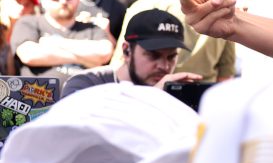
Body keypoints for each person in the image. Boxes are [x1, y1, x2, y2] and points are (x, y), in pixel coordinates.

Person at [62, 9, 201, 97]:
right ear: (126, 51)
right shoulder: (86, 84)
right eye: (154, 55)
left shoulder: (174, 93)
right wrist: (153, 98)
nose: (164, 66)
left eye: (171, 57)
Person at [10, 0, 114, 81]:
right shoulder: (28, 23)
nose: (63, 1)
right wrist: (87, 60)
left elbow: (104, 53)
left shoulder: (92, 28)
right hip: (38, 91)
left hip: (86, 91)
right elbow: (29, 55)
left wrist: (56, 43)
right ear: (44, 0)